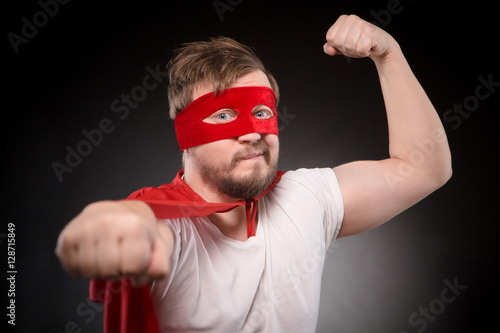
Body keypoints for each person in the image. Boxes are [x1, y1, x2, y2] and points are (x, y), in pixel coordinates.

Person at [55, 15, 452, 332]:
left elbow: (424, 168)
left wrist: (389, 55)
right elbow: (141, 226)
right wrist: (118, 226)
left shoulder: (306, 198)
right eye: (225, 115)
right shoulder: (167, 228)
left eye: (262, 112)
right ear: (185, 135)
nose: (252, 131)